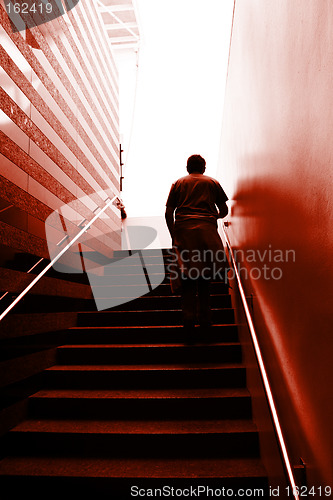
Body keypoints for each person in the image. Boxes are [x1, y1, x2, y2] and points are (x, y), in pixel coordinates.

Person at [165, 154, 228, 342]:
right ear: (204, 167)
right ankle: (206, 318)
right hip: (206, 232)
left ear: (187, 167)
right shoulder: (212, 183)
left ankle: (188, 318)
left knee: (187, 277)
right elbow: (224, 210)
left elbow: (169, 212)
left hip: (184, 232)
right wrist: (211, 216)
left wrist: (173, 234)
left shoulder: (178, 183)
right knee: (205, 278)